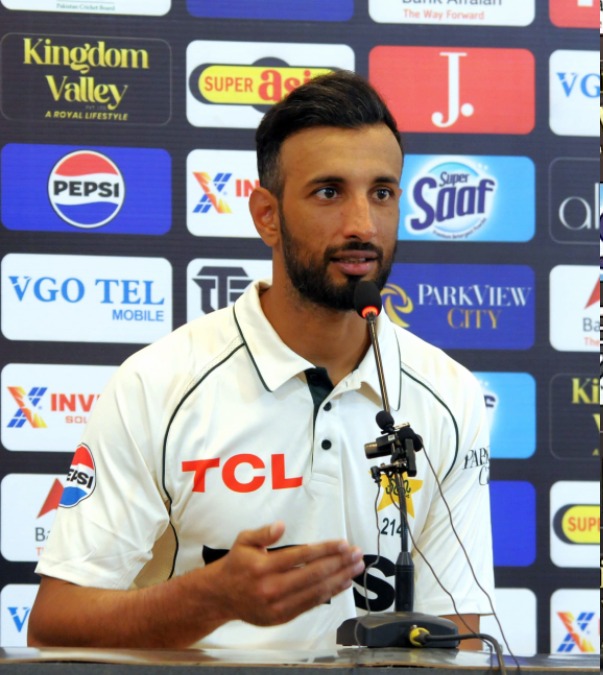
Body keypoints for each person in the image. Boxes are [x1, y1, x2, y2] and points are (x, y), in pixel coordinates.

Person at [27, 71, 495, 650]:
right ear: (267, 216)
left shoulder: (449, 393)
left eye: (382, 193)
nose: (362, 225)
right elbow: (55, 623)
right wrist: (211, 599)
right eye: (329, 192)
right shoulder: (158, 383)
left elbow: (458, 636)